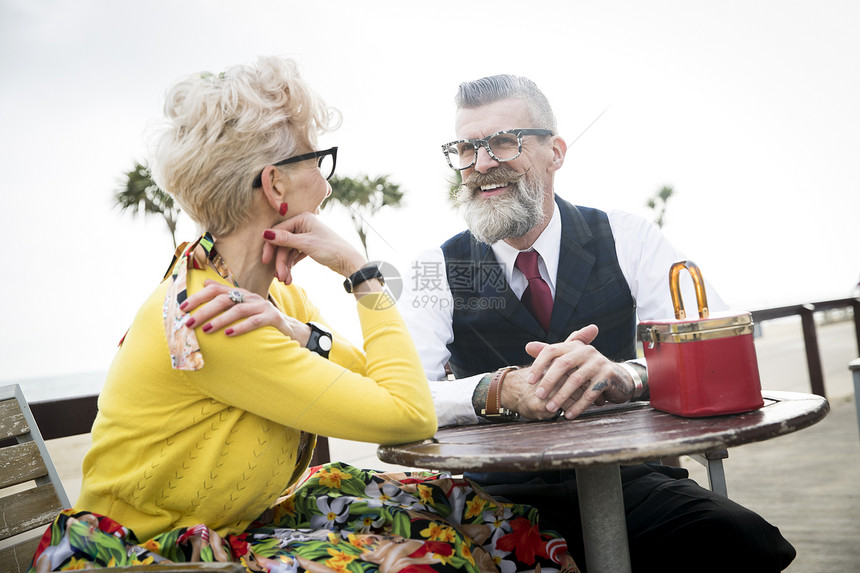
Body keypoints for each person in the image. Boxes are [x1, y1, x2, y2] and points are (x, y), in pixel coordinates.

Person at [31, 59, 576, 573]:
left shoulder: (271, 300)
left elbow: (372, 375)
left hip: (232, 528)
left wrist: (302, 336)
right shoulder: (211, 316)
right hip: (153, 553)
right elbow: (411, 413)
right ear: (276, 184)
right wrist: (360, 271)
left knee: (473, 513)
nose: (326, 173)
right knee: (428, 555)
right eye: (316, 157)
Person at [396, 74, 797, 572]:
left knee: (738, 541)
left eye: (502, 143)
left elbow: (715, 354)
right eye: (465, 149)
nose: (480, 165)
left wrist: (627, 376)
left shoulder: (628, 236)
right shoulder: (434, 267)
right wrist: (500, 390)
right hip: (493, 494)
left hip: (631, 478)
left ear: (555, 152)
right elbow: (404, 393)